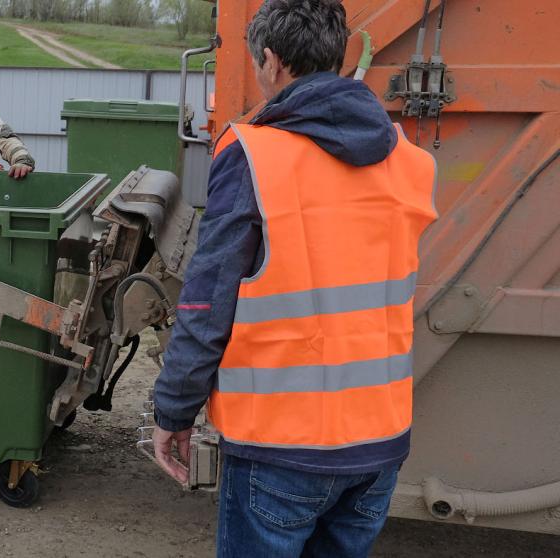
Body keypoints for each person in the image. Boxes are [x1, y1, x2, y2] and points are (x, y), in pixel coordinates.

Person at [150, 1, 438, 556]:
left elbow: (206, 305)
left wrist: (173, 411)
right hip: (378, 444)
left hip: (280, 448)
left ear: (271, 61)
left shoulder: (256, 155)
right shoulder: (408, 160)